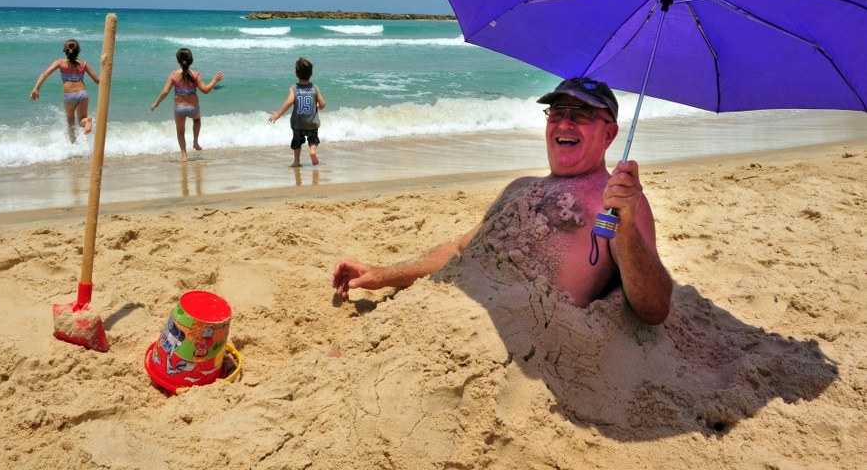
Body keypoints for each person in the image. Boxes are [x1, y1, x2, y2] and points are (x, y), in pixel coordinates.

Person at [332, 77, 673, 325]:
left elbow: (654, 309)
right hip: (446, 314)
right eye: (556, 113)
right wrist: (382, 274)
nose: (564, 123)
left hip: (515, 341)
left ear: (609, 133)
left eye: (581, 114)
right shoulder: (519, 187)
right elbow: (458, 251)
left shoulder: (617, 202)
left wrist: (626, 226)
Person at [150, 48, 224, 162]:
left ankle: (184, 155)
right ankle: (195, 141)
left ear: (178, 61)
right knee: (197, 120)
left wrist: (156, 103)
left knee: (180, 131)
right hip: (193, 108)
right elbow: (205, 90)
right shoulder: (195, 75)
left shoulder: (173, 75)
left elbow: (165, 91)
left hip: (179, 108)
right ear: (191, 61)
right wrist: (215, 80)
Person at [30, 39, 100, 142]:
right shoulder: (84, 64)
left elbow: (45, 74)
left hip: (69, 96)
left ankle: (73, 145)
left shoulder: (60, 63)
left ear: (65, 50)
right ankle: (87, 121)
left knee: (70, 122)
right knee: (81, 119)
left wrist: (36, 89)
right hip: (82, 93)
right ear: (78, 51)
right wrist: (107, 73)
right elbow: (97, 81)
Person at [268, 57, 327, 167]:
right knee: (313, 140)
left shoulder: (293, 88)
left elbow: (289, 101)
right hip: (312, 123)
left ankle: (296, 161)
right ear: (311, 73)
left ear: (296, 74)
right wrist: (319, 105)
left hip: (297, 123)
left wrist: (278, 114)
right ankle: (312, 151)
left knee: (297, 142)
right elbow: (323, 104)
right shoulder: (315, 88)